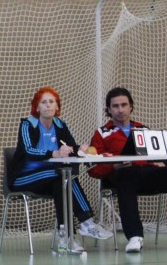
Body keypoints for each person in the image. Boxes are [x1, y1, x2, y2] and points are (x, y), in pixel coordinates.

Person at [88, 87, 167, 251]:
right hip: (119, 177)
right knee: (126, 176)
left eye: (124, 105)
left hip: (147, 175)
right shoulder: (101, 133)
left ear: (131, 106)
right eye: (115, 106)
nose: (120, 110)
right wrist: (114, 165)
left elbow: (157, 154)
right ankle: (135, 236)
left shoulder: (143, 130)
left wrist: (161, 162)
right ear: (109, 109)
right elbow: (93, 169)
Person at [9, 87, 113, 253]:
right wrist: (54, 153)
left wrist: (82, 149)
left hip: (50, 179)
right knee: (62, 175)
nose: (48, 105)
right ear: (37, 107)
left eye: (52, 102)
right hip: (22, 178)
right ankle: (86, 221)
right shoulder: (28, 124)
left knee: (62, 181)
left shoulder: (60, 124)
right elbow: (29, 150)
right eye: (43, 102)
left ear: (57, 106)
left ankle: (66, 239)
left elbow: (70, 147)